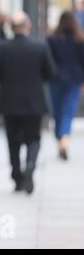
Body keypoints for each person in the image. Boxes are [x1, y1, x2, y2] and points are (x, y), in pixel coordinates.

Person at [0, 12, 56, 195]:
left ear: (12, 28)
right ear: (28, 26)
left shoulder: (1, 48)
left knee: (13, 140)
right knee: (34, 138)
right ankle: (31, 166)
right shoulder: (40, 47)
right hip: (33, 102)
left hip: (9, 102)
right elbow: (50, 73)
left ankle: (17, 176)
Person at [47, 11, 84, 161]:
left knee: (58, 112)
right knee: (68, 111)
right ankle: (64, 139)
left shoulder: (52, 39)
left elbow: (48, 60)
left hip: (56, 79)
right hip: (73, 80)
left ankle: (60, 140)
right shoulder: (79, 40)